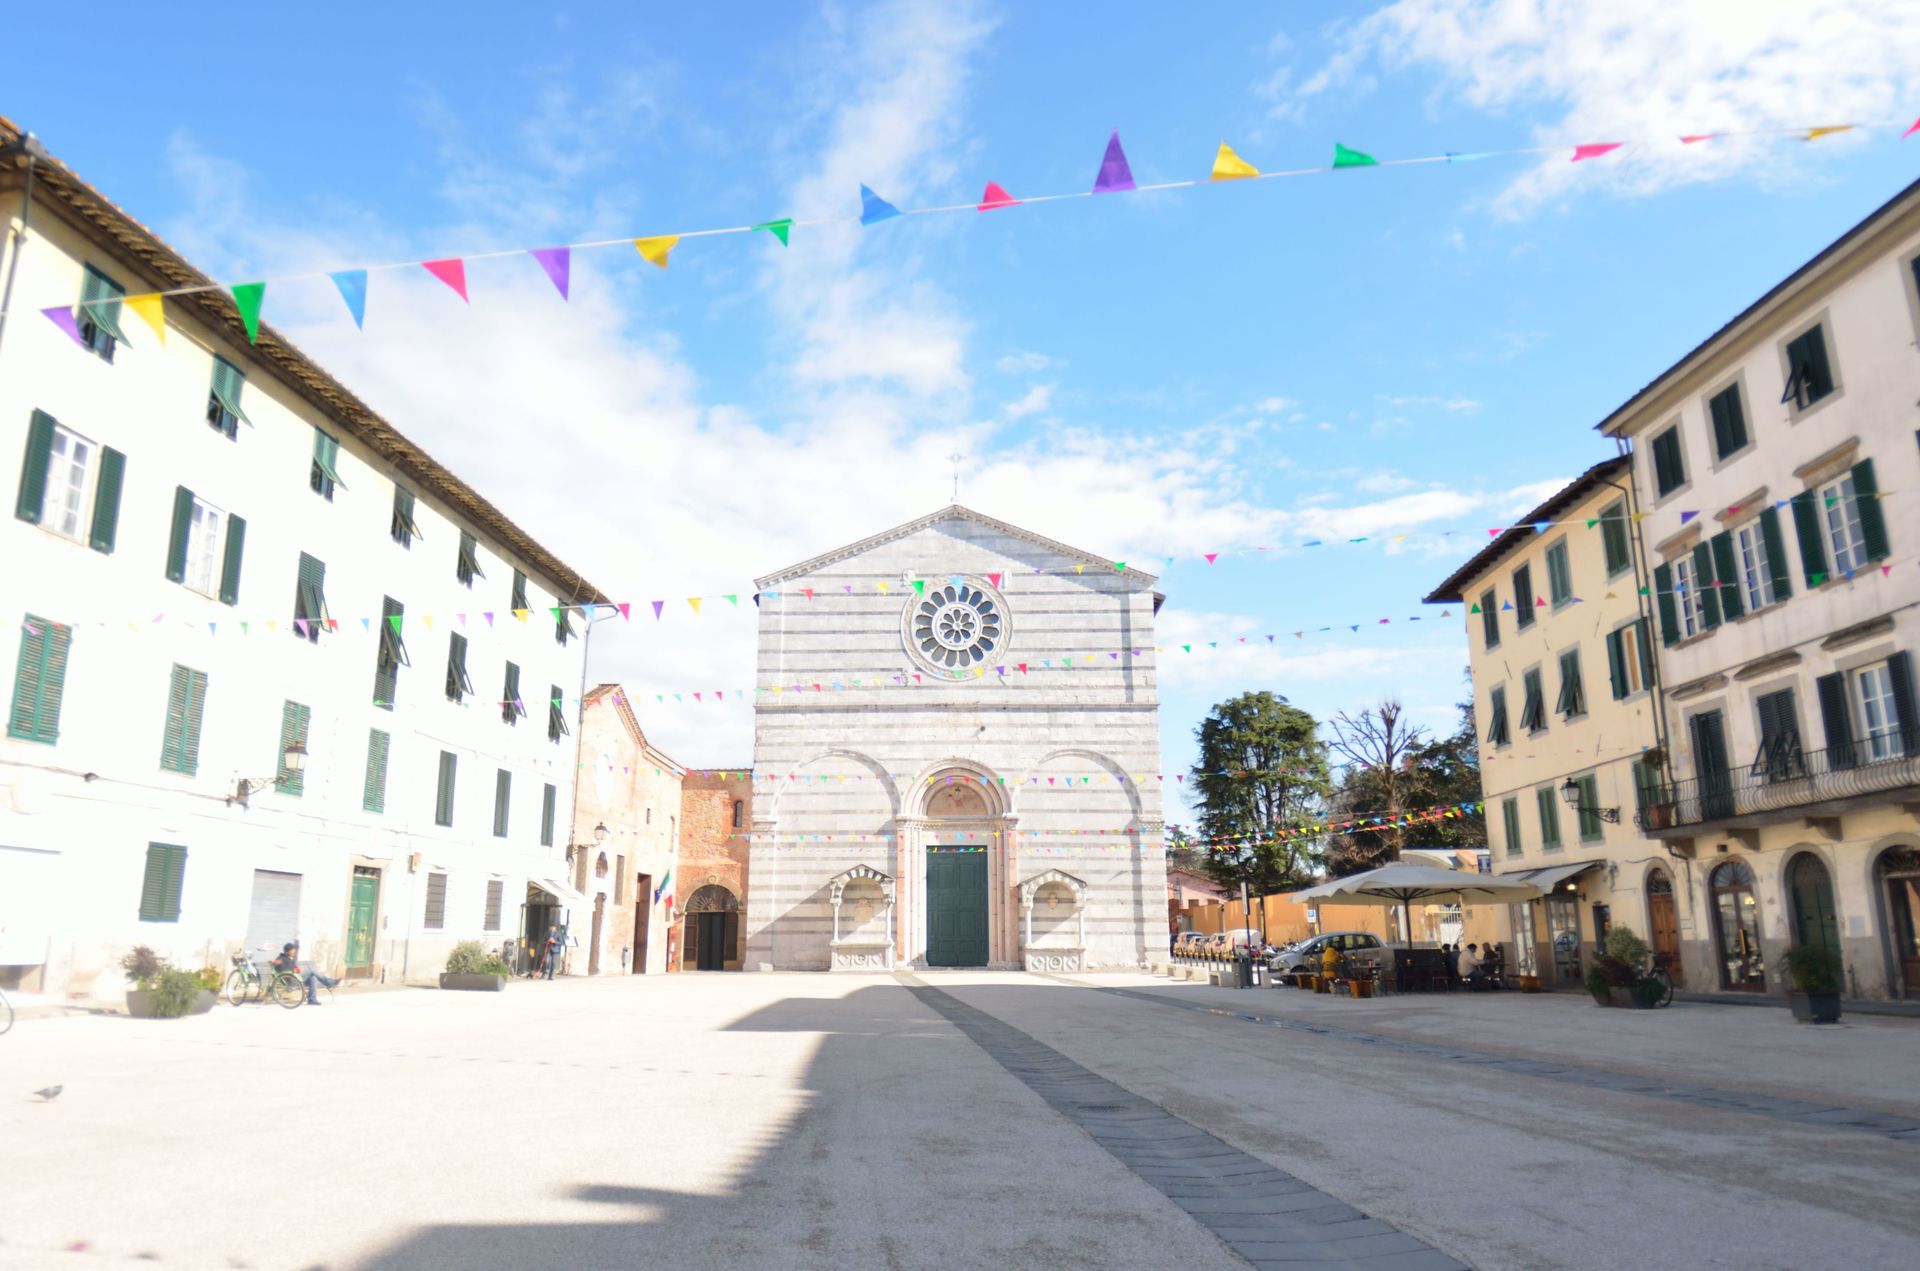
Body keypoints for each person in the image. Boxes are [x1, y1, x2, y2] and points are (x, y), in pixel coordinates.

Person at [273, 942, 339, 1006]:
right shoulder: (280, 958)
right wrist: (293, 970)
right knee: (311, 971)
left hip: (296, 978)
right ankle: (329, 982)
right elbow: (283, 970)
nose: (294, 951)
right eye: (292, 950)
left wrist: (296, 969)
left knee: (313, 978)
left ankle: (312, 1000)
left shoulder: (290, 959)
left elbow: (294, 969)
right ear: (287, 951)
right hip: (290, 980)